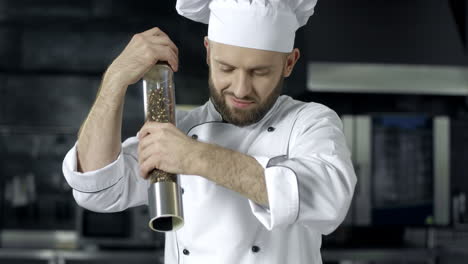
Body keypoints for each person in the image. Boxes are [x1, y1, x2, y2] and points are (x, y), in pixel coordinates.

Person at [62, 0, 357, 263]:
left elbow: (328, 200)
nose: (241, 89)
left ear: (289, 63)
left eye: (260, 72)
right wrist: (115, 79)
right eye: (226, 68)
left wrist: (197, 158)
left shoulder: (310, 122)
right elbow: (96, 187)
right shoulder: (180, 130)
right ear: (207, 52)